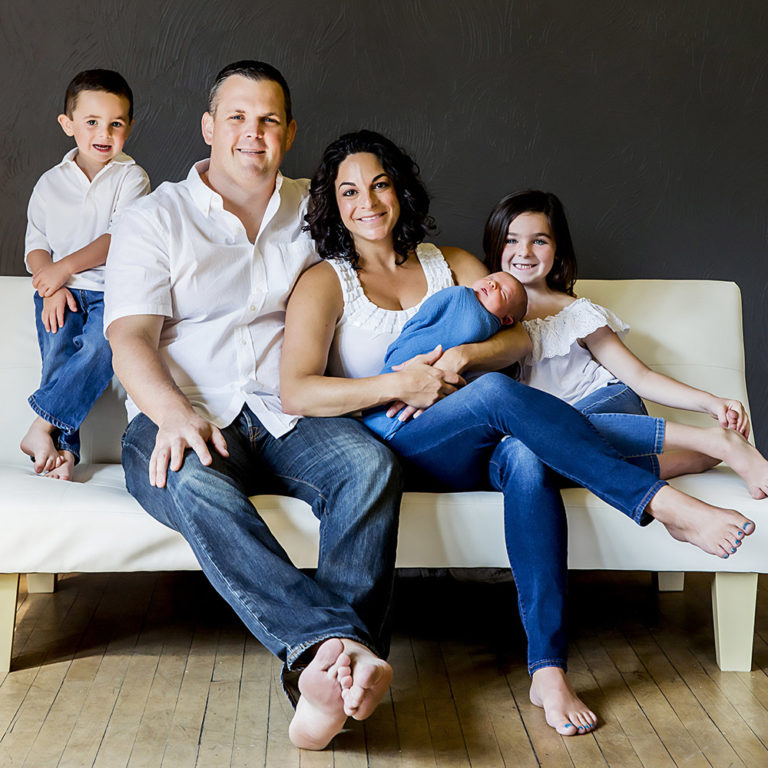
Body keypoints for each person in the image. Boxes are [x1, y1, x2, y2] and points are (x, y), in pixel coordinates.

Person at [280, 129, 755, 737]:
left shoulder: (448, 262)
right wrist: (400, 386)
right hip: (404, 441)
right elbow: (298, 390)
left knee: (527, 458)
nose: (366, 202)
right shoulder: (326, 281)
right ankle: (662, 502)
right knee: (503, 395)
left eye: (379, 184)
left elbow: (519, 335)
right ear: (332, 204)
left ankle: (548, 669)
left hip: (483, 434)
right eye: (348, 192)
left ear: (399, 188)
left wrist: (460, 360)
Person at [104, 62, 401, 751]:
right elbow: (129, 338)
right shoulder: (154, 218)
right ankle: (336, 654)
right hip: (182, 412)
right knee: (191, 480)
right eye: (236, 117)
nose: (252, 133)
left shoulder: (318, 209)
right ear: (209, 127)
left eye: (268, 119)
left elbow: (397, 256)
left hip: (286, 414)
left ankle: (326, 683)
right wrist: (175, 414)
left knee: (370, 466)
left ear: (290, 133)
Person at [483, 189, 768, 498]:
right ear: (496, 243)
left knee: (554, 435)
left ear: (558, 250)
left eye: (539, 240)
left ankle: (715, 441)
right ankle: (683, 461)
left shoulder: (577, 313)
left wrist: (711, 402)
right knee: (541, 457)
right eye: (512, 240)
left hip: (610, 402)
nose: (524, 251)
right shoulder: (480, 314)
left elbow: (640, 378)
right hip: (553, 434)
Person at [20, 69, 150, 480]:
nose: (103, 133)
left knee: (100, 348)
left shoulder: (132, 178)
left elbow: (119, 237)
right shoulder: (49, 183)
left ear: (128, 127)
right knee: (57, 358)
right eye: (92, 122)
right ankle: (64, 453)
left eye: (116, 124)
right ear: (68, 125)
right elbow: (35, 245)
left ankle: (40, 426)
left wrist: (64, 269)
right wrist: (50, 281)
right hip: (57, 290)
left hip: (111, 292)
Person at [363, 272, 527, 439]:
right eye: (491, 279)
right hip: (399, 372)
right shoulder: (459, 295)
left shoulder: (485, 324)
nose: (493, 285)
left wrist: (458, 356)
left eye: (503, 293)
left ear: (506, 321)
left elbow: (519, 339)